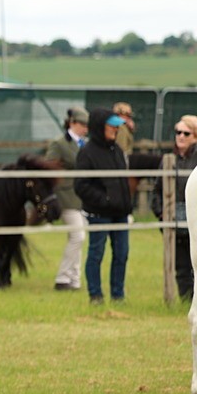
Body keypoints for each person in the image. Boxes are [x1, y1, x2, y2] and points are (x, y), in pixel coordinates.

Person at [75, 108, 132, 305]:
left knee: (122, 254)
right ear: (100, 127)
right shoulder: (87, 153)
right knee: (96, 253)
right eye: (112, 125)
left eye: (117, 125)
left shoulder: (117, 151)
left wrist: (124, 203)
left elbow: (123, 182)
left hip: (120, 213)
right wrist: (104, 200)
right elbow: (81, 186)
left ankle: (118, 295)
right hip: (99, 214)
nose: (116, 129)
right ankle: (95, 295)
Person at [150, 115, 197, 300]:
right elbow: (157, 189)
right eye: (178, 132)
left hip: (193, 216)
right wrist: (161, 213)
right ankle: (186, 300)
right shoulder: (169, 160)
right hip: (173, 219)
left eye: (186, 133)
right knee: (181, 266)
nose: (181, 136)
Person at [44, 107, 89, 291]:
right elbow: (48, 167)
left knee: (76, 236)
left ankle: (74, 280)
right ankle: (63, 277)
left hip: (82, 196)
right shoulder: (59, 144)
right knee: (78, 236)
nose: (86, 128)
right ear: (73, 123)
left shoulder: (85, 144)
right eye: (83, 124)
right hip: (66, 196)